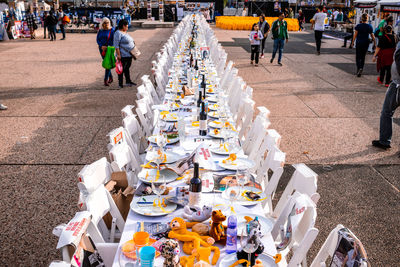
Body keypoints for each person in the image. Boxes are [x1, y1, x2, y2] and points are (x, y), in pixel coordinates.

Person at [372, 41, 400, 150]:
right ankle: (384, 140)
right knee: (387, 112)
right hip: (396, 83)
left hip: (397, 84)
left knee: (387, 112)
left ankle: (384, 141)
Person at [114, 19, 136, 89]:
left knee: (127, 68)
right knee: (121, 69)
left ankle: (128, 81)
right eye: (126, 26)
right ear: (123, 26)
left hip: (129, 54)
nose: (127, 27)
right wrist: (118, 54)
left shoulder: (125, 32)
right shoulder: (118, 33)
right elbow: (116, 45)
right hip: (123, 54)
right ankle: (120, 83)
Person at [97, 17, 115, 87]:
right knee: (106, 62)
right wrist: (101, 46)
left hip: (109, 49)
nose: (106, 24)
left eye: (107, 22)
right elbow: (98, 39)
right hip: (101, 49)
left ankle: (105, 79)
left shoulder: (112, 30)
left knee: (107, 63)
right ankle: (110, 77)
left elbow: (114, 40)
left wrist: (108, 47)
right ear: (102, 23)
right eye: (105, 23)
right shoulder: (100, 31)